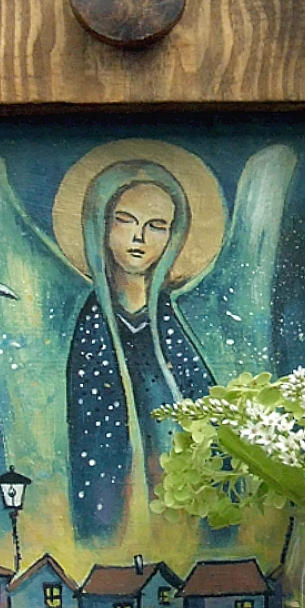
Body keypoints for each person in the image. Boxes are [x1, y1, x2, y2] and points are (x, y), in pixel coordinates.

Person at [66, 160, 213, 541]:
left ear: (174, 236)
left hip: (175, 494)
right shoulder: (90, 325)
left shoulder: (176, 325)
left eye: (156, 226)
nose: (139, 238)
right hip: (107, 489)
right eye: (125, 221)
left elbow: (204, 407)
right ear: (100, 224)